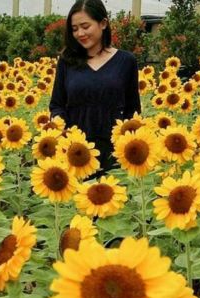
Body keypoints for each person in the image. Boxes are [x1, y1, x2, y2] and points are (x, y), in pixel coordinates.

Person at [49, 0, 141, 173]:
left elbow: (133, 110)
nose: (80, 33)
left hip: (115, 153)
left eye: (85, 26)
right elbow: (57, 104)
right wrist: (63, 132)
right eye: (74, 29)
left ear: (103, 23)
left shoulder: (126, 61)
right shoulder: (67, 61)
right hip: (76, 154)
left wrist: (131, 149)